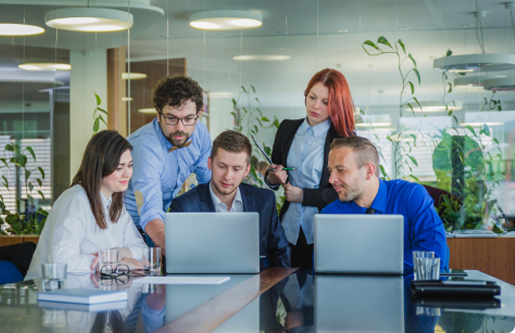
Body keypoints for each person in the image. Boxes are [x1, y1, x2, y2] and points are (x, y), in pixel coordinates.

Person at [25, 130, 147, 280]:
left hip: (95, 291)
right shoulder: (74, 200)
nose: (127, 174)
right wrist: (114, 264)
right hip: (54, 293)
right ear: (100, 167)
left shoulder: (116, 205)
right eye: (119, 167)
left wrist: (120, 253)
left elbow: (143, 251)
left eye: (130, 165)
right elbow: (61, 261)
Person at [265, 68, 356, 268]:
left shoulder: (344, 140)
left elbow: (348, 192)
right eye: (312, 97)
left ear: (336, 105)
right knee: (286, 293)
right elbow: (275, 170)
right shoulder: (287, 129)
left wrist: (303, 196)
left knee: (321, 294)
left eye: (325, 102)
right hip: (288, 228)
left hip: (325, 230)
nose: (315, 106)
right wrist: (272, 178)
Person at [322, 136, 448, 270]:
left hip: (408, 290)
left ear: (368, 171)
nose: (331, 179)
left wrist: (368, 264)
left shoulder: (411, 197)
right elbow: (323, 268)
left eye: (341, 170)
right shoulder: (331, 215)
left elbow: (435, 256)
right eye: (330, 171)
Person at [170, 130, 290, 267]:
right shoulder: (184, 207)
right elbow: (178, 264)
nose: (227, 176)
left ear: (246, 170)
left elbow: (282, 255)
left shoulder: (264, 201)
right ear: (210, 163)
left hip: (256, 285)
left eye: (236, 169)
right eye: (222, 166)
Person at [125, 76, 212, 251]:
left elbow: (208, 185)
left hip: (163, 223)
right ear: (158, 114)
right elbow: (149, 212)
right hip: (130, 229)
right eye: (172, 118)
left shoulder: (200, 133)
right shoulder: (146, 148)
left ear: (198, 116)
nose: (180, 128)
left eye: (188, 118)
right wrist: (180, 254)